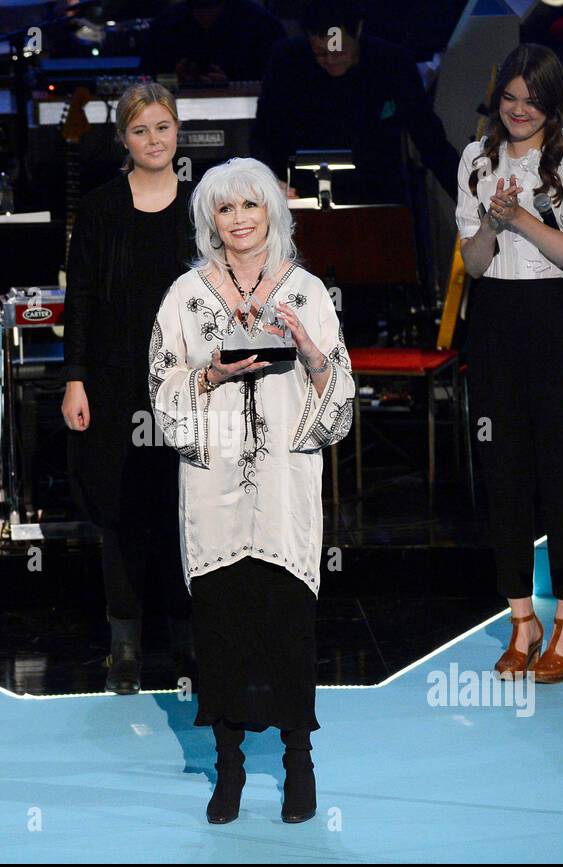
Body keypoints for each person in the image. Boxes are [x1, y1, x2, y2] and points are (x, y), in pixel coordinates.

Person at [148, 157, 355, 823]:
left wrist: (310, 351)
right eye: (226, 209)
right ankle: (228, 768)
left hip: (287, 489)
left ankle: (300, 765)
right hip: (214, 491)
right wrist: (209, 373)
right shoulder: (186, 295)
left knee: (289, 627)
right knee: (222, 629)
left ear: (273, 213)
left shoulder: (307, 291)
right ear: (211, 218)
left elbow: (341, 398)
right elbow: (162, 389)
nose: (239, 220)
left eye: (251, 206)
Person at [455, 44, 563, 683]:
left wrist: (523, 217)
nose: (519, 110)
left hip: (557, 320)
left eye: (532, 100)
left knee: (562, 470)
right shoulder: (476, 158)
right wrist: (492, 224)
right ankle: (522, 617)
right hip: (494, 320)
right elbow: (476, 262)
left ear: (551, 103)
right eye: (510, 98)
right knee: (505, 469)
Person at [61, 84, 197, 694]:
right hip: (115, 384)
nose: (153, 140)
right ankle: (125, 648)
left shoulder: (202, 206)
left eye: (163, 128)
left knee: (185, 509)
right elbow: (80, 299)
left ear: (178, 132)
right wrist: (75, 379)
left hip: (190, 384)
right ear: (123, 138)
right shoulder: (99, 209)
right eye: (140, 130)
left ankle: (190, 644)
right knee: (120, 515)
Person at [253, 0, 459, 205]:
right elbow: (263, 134)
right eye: (321, 53)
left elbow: (431, 141)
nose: (331, 61)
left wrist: (470, 199)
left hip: (377, 196)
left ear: (358, 30)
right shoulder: (288, 61)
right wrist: (269, 178)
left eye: (340, 51)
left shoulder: (391, 64)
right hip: (301, 193)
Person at [138, 0, 286, 86]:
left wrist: (230, 86)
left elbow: (280, 86)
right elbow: (144, 81)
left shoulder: (262, 25)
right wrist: (173, 81)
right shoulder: (164, 25)